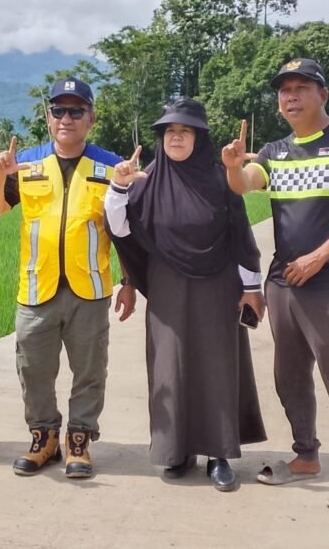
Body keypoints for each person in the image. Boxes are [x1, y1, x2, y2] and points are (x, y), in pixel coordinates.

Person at [222, 58, 329, 510]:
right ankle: (306, 457)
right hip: (283, 284)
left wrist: (319, 257)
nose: (290, 96)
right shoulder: (275, 151)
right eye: (284, 90)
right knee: (289, 376)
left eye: (301, 88)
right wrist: (234, 166)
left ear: (322, 95)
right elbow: (243, 186)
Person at [105, 98, 267, 491]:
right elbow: (121, 229)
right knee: (169, 367)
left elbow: (240, 234)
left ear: (199, 137)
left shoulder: (218, 178)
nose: (176, 137)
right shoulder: (148, 180)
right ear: (161, 139)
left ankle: (219, 454)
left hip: (217, 285)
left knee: (216, 366)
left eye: (185, 131)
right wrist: (118, 187)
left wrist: (251, 287)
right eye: (170, 132)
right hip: (167, 287)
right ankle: (175, 450)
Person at [0, 77, 136, 478]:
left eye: (76, 111)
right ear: (48, 117)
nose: (66, 118)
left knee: (89, 370)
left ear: (91, 118)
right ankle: (43, 435)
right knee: (32, 368)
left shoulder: (109, 165)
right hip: (37, 286)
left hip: (90, 288)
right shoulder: (27, 162)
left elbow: (125, 228)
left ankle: (79, 439)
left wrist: (130, 280)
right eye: (58, 111)